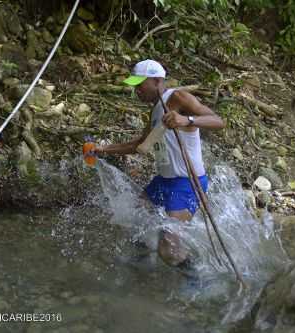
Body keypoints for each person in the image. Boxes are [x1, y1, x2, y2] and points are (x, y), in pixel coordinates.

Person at [94, 59, 225, 267]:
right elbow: (140, 144)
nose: (136, 90)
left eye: (140, 84)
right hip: (163, 181)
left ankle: (195, 279)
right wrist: (103, 150)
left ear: (156, 81)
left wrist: (187, 120)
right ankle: (142, 265)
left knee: (169, 248)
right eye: (134, 85)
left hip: (187, 182)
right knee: (137, 220)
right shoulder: (155, 110)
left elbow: (218, 121)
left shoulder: (178, 97)